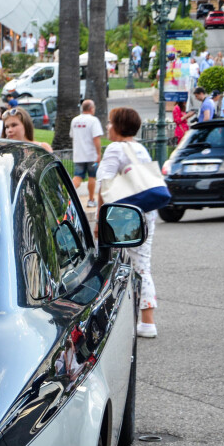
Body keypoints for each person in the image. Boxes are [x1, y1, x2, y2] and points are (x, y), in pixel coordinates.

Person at [97, 106, 160, 339]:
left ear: (118, 126)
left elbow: (105, 184)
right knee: (141, 263)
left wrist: (99, 220)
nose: (107, 127)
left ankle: (139, 320)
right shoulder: (140, 148)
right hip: (145, 214)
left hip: (122, 215)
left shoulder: (115, 148)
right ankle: (145, 318)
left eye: (110, 122)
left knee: (115, 264)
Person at [69, 99, 104, 207]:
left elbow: (72, 135)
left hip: (78, 155)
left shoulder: (74, 120)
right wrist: (99, 154)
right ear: (91, 108)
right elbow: (96, 139)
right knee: (92, 177)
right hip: (91, 155)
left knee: (77, 177)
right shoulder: (93, 121)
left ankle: (67, 197)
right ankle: (91, 200)